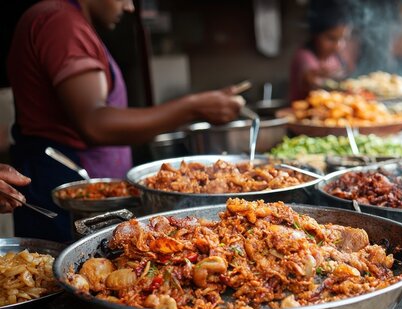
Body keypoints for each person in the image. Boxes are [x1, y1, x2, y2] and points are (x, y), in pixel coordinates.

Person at [7, 0, 243, 242]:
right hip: (67, 201)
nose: (130, 7)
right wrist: (192, 108)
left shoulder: (67, 21)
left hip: (84, 198)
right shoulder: (60, 21)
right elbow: (94, 123)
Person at [289, 0, 350, 101]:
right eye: (331, 38)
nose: (338, 46)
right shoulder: (304, 56)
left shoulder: (335, 58)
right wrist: (323, 78)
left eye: (343, 38)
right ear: (315, 35)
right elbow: (310, 82)